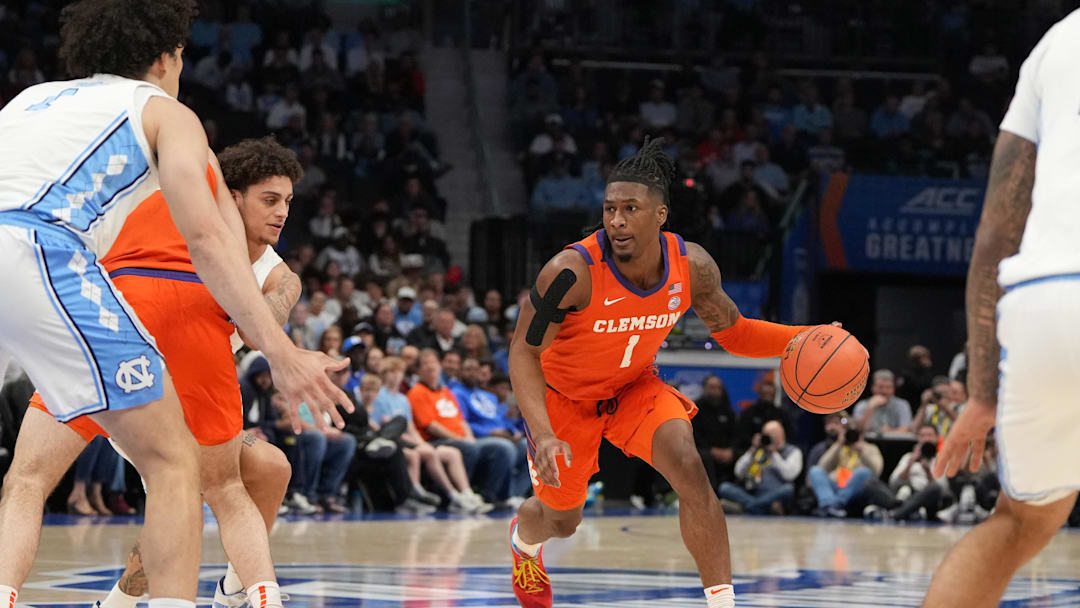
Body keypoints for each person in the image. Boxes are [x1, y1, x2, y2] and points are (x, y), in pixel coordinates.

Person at [0, 26, 348, 601]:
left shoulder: (29, 102)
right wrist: (279, 351)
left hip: (52, 284)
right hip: (105, 289)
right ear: (165, 57)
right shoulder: (174, 133)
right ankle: (248, 594)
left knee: (28, 477)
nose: (282, 212)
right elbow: (217, 245)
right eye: (271, 199)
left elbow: (282, 281)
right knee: (190, 476)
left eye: (288, 202)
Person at [507, 137, 825, 608]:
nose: (616, 220)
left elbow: (735, 333)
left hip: (635, 387)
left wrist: (801, 337)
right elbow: (522, 354)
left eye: (630, 208)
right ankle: (523, 545)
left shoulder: (690, 265)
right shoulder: (571, 272)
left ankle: (722, 603)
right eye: (610, 208)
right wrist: (544, 432)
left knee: (690, 468)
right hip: (563, 401)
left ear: (660, 215)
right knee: (562, 520)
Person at [922, 15, 1080, 606]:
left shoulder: (1058, 40)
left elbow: (994, 235)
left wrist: (982, 393)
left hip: (1043, 299)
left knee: (1020, 522)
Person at [371, 357, 484, 512]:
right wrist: (419, 444)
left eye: (399, 372)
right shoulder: (379, 396)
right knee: (425, 452)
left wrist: (420, 443)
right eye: (392, 372)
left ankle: (464, 493)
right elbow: (381, 427)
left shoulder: (403, 400)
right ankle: (440, 495)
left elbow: (411, 428)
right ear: (384, 374)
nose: (396, 376)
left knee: (453, 453)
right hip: (391, 441)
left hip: (411, 440)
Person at [407, 350, 503, 512]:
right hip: (435, 440)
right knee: (470, 449)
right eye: (425, 363)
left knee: (501, 448)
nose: (430, 366)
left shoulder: (446, 392)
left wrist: (469, 437)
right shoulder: (417, 392)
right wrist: (460, 440)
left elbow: (461, 420)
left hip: (461, 438)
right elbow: (432, 426)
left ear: (439, 366)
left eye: (433, 362)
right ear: (418, 370)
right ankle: (462, 495)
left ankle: (489, 496)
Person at [718, 420, 802, 515]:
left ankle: (748, 508)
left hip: (774, 494)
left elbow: (789, 475)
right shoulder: (757, 450)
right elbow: (738, 472)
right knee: (724, 487)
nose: (768, 438)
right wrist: (753, 450)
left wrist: (773, 453)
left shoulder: (793, 451)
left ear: (782, 436)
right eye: (766, 435)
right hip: (752, 491)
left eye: (772, 435)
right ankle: (759, 507)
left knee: (788, 489)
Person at [807, 423, 883, 518]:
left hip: (854, 486)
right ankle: (829, 504)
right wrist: (838, 444)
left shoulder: (870, 448)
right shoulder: (839, 447)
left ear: (862, 435)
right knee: (815, 471)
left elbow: (876, 471)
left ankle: (834, 505)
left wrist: (862, 451)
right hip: (835, 484)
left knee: (863, 472)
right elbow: (822, 465)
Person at [691, 376, 738, 490]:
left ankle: (737, 491)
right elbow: (694, 434)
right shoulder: (696, 409)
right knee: (705, 457)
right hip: (704, 449)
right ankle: (711, 492)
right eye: (711, 387)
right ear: (704, 388)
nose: (715, 391)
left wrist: (731, 450)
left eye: (718, 388)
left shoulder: (727, 410)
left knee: (742, 456)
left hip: (726, 450)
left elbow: (736, 434)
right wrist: (712, 450)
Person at [853, 369, 913, 434]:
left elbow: (906, 430)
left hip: (895, 443)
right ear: (873, 388)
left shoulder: (902, 405)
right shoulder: (862, 405)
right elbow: (858, 430)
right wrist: (870, 408)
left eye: (888, 387)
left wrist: (889, 432)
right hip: (868, 441)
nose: (884, 391)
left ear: (894, 389)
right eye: (880, 387)